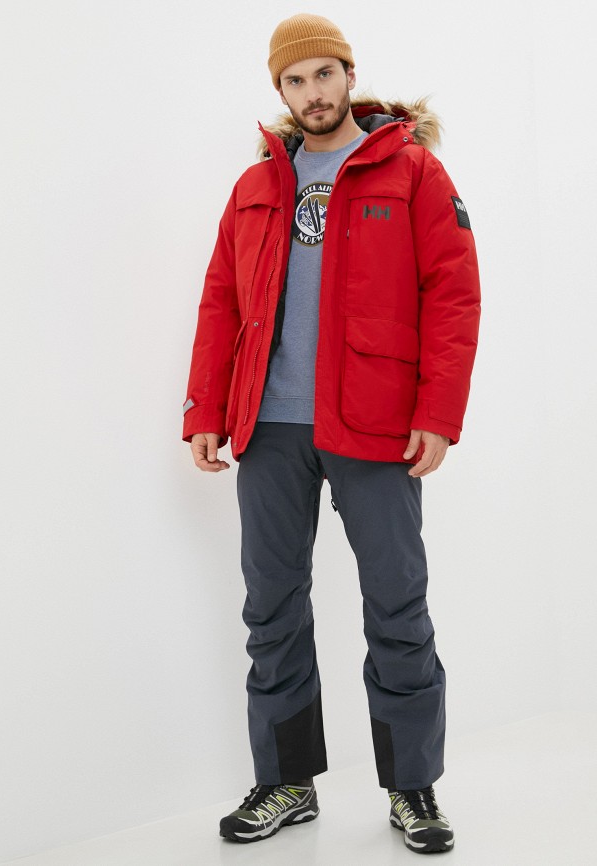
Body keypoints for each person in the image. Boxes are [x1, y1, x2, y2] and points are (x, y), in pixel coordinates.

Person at [182, 12, 481, 854]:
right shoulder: (256, 186)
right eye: (294, 80)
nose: (312, 92)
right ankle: (286, 782)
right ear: (280, 91)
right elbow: (220, 300)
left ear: (349, 75)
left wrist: (437, 414)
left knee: (396, 605)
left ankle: (412, 787)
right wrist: (204, 411)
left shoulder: (412, 170)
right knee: (271, 608)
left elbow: (453, 293)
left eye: (324, 74)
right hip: (270, 425)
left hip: (376, 426)